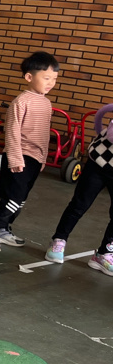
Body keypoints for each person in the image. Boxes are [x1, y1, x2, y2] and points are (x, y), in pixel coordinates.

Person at [0, 52, 60, 251]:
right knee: (12, 198)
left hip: (35, 159)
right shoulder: (21, 102)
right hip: (19, 157)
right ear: (29, 77)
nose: (51, 83)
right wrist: (15, 158)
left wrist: (43, 158)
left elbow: (44, 134)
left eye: (54, 79)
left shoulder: (46, 103)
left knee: (20, 200)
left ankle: (2, 229)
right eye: (46, 78)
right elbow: (12, 132)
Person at [45, 102, 113, 276]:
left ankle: (104, 253)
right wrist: (100, 131)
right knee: (79, 204)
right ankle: (59, 240)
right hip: (99, 162)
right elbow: (104, 119)